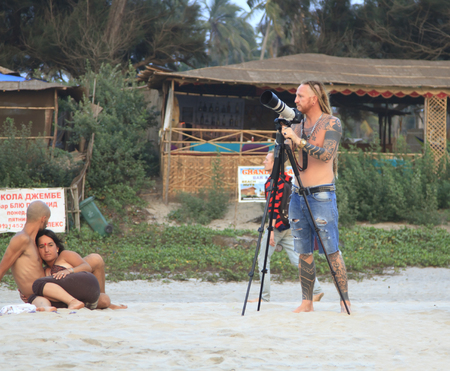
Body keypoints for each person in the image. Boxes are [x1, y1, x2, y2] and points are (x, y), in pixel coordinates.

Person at [281, 81, 351, 313]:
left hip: (321, 195)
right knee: (303, 250)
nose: (295, 100)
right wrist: (284, 138)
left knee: (331, 249)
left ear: (314, 99)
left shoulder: (332, 123)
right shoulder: (297, 125)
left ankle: (344, 300)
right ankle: (307, 301)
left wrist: (299, 140)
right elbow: (282, 159)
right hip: (297, 195)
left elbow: (326, 154)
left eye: (300, 96)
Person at [0, 200, 126, 310]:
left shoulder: (34, 241)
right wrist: (25, 290)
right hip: (42, 292)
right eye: (47, 221)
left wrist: (69, 270)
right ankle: (87, 301)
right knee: (102, 299)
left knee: (95, 260)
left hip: (51, 286)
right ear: (43, 219)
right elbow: (2, 270)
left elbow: (32, 269)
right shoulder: (21, 239)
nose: (47, 224)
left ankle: (100, 298)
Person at [249, 152, 324, 303]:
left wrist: (270, 231)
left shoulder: (272, 182)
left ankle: (264, 297)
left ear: (274, 163)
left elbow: (273, 208)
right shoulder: (288, 180)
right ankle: (316, 290)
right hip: (289, 225)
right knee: (297, 259)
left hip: (276, 228)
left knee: (263, 260)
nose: (263, 162)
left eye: (266, 160)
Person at [30, 229, 101, 310]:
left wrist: (69, 271)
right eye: (42, 247)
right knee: (33, 296)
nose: (46, 250)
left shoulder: (64, 255)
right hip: (83, 300)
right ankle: (47, 308)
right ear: (38, 251)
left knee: (38, 284)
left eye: (50, 245)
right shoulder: (44, 271)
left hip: (85, 285)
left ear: (57, 247)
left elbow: (87, 267)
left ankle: (73, 302)